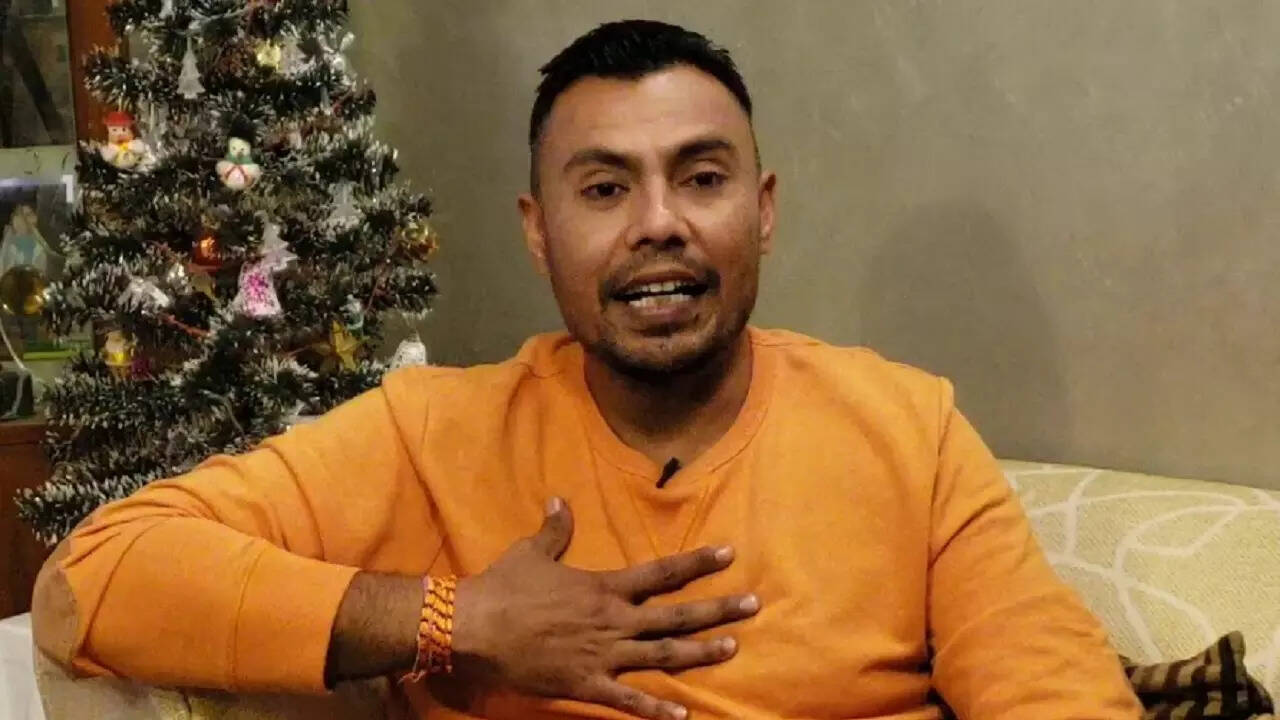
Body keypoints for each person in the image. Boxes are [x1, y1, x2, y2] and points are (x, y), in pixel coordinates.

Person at [32, 20, 1141, 720]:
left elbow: (1054, 694)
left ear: (761, 213)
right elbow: (94, 583)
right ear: (538, 231)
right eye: (604, 189)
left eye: (701, 178)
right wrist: (457, 619)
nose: (658, 224)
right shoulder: (431, 433)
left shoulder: (908, 429)